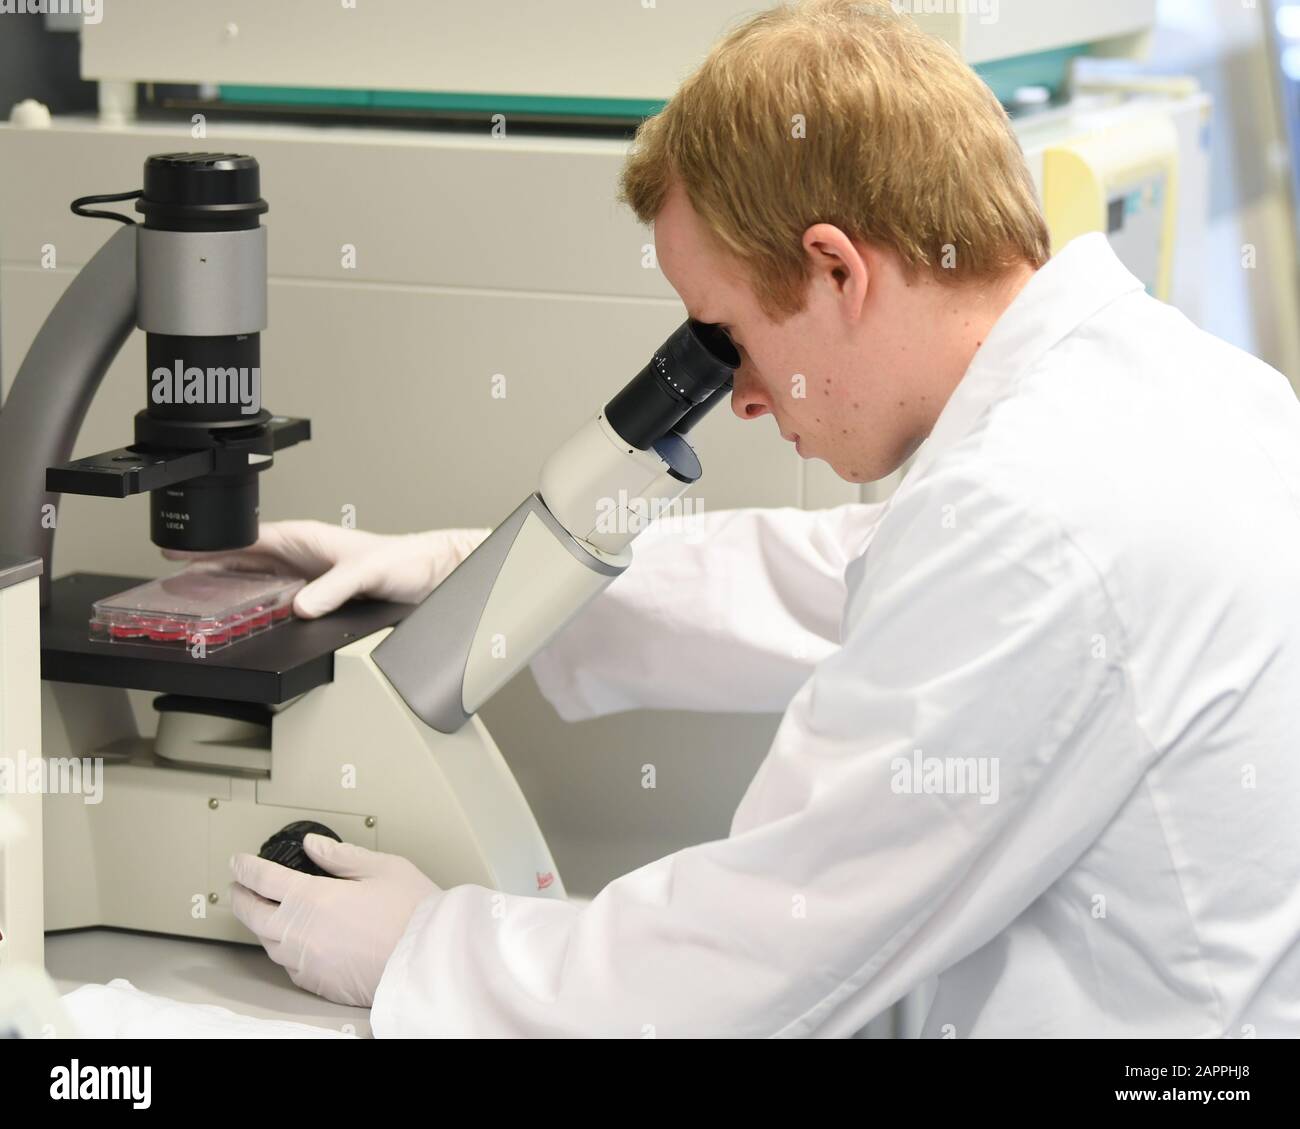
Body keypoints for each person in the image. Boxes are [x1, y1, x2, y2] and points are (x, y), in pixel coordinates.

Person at [213, 0, 1300, 1036]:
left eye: (724, 333)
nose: (734, 394)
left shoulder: (1033, 514)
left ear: (833, 269)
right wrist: (478, 580)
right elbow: (838, 577)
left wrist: (425, 952)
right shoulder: (1160, 391)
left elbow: (761, 956)